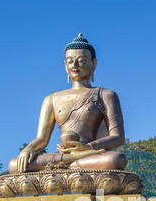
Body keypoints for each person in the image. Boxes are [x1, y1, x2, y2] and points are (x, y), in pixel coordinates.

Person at [9, 34, 126, 174]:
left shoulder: (105, 95)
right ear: (65, 66)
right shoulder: (51, 99)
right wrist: (29, 148)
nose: (75, 65)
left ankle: (61, 169)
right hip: (62, 157)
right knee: (14, 165)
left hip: (90, 155)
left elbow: (118, 137)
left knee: (115, 160)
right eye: (70, 61)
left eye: (81, 60)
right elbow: (42, 139)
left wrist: (88, 147)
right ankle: (67, 165)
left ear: (93, 64)